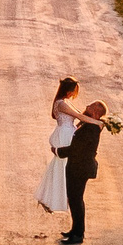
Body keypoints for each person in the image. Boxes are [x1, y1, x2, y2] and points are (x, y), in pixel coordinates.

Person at [61, 99, 108, 245]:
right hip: (77, 167)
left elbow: (76, 149)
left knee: (76, 200)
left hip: (80, 169)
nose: (88, 105)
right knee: (75, 199)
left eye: (92, 105)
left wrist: (58, 151)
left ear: (96, 112)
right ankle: (75, 230)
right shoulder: (89, 124)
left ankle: (78, 234)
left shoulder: (92, 128)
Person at [37, 78, 80, 216]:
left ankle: (49, 198)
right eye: (73, 91)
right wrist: (97, 122)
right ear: (68, 91)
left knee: (59, 166)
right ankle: (53, 198)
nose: (73, 94)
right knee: (62, 167)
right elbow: (79, 116)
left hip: (67, 132)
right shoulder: (61, 104)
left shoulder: (64, 102)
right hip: (64, 135)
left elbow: (78, 117)